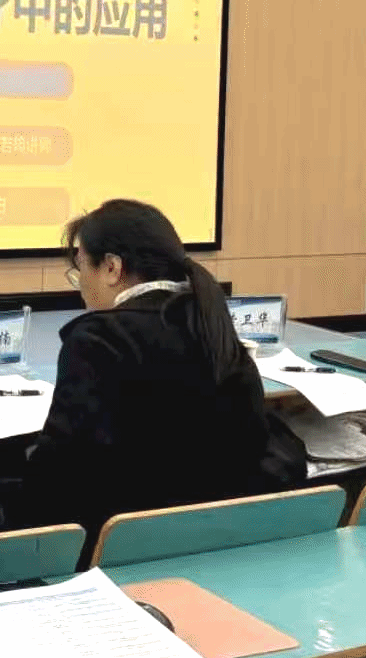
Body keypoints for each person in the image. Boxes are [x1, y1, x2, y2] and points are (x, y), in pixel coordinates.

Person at [21, 200, 304, 545]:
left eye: (81, 268)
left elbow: (61, 471)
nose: (80, 284)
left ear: (111, 267)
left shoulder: (97, 339)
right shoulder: (211, 323)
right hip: (220, 536)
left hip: (121, 544)